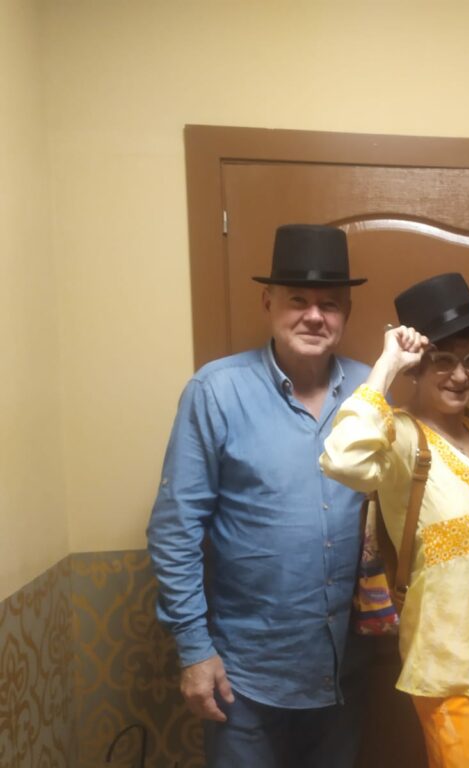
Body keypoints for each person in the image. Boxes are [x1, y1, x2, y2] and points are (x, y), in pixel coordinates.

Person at [147, 224, 371, 768]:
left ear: (346, 311)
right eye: (297, 300)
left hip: (345, 673)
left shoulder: (373, 391)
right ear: (268, 301)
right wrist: (194, 652)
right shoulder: (215, 391)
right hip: (243, 678)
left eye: (329, 303)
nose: (314, 316)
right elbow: (175, 531)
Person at [319, 272, 469, 768]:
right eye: (443, 360)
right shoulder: (400, 437)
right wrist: (385, 365)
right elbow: (344, 460)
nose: (461, 376)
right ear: (417, 366)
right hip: (449, 670)